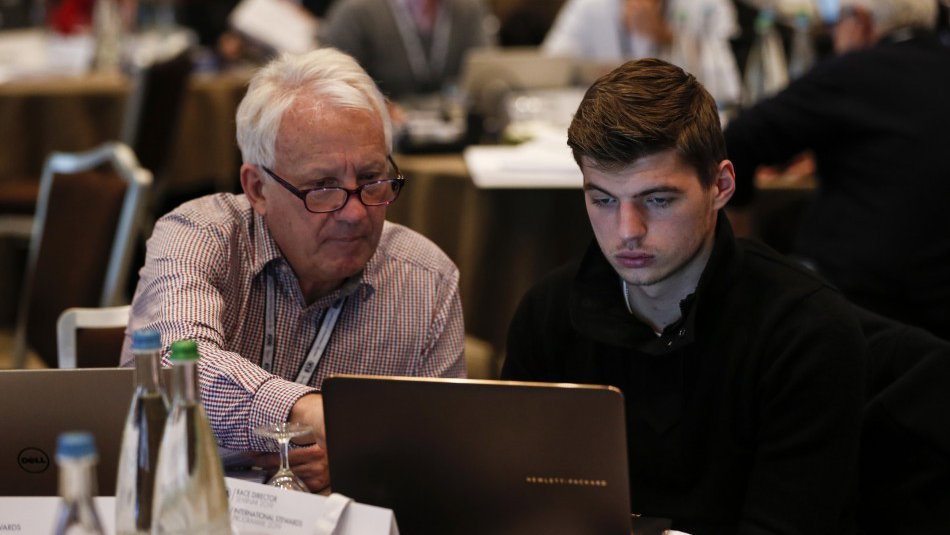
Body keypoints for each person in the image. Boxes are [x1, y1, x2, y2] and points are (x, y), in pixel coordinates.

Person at [502, 58, 866, 534]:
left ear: (721, 186)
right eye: (603, 199)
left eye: (658, 200)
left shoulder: (807, 333)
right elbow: (518, 509)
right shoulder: (548, 314)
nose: (627, 231)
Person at [122, 48, 466, 491]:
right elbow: (174, 365)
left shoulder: (426, 279)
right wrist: (310, 414)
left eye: (371, 179)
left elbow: (441, 460)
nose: (355, 213)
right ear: (257, 189)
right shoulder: (199, 236)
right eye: (322, 187)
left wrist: (358, 466)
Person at [724, 0, 950, 340]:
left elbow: (737, 140)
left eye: (837, 20)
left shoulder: (853, 71)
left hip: (856, 302)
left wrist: (738, 227)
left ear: (860, 20)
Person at [319, 0, 492, 99]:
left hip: (454, 128)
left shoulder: (469, 10)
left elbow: (487, 73)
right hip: (383, 131)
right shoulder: (357, 12)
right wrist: (380, 108)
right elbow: (333, 85)